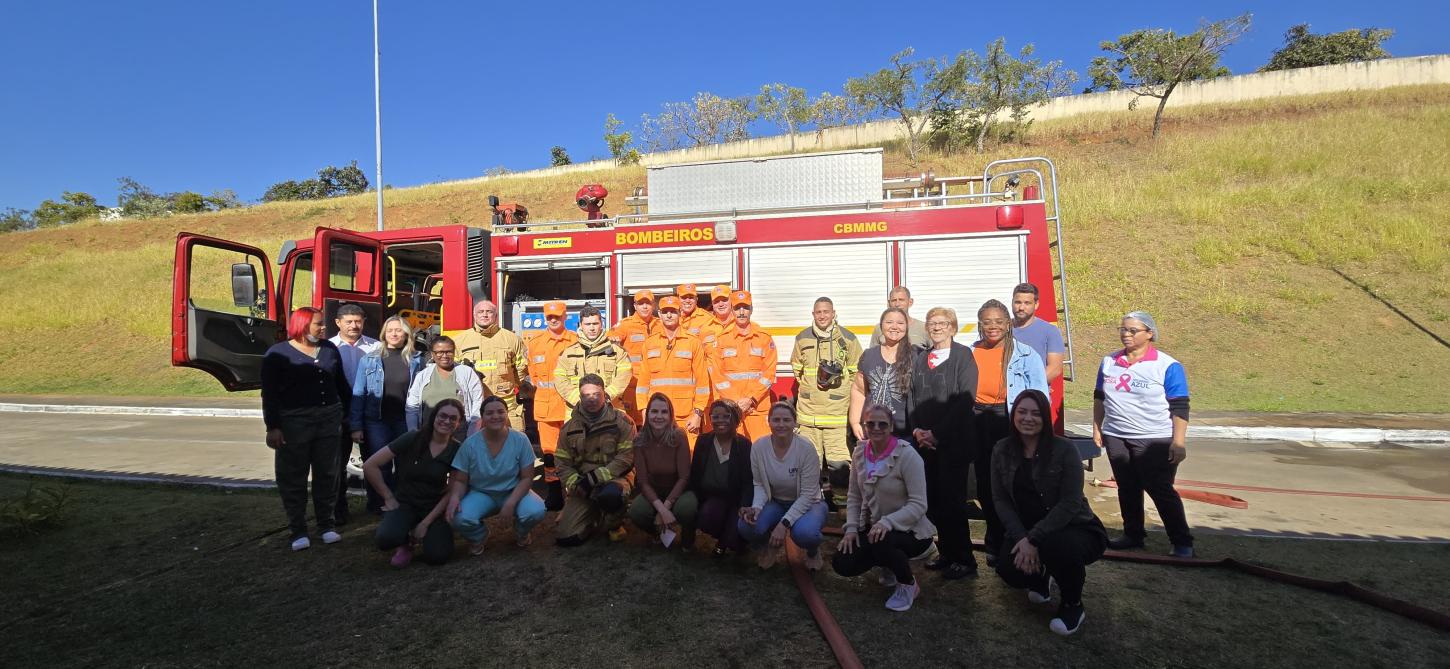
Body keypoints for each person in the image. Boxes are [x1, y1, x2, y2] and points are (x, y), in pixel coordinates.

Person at [993, 389, 1107, 636]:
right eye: (1022, 412)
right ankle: (1040, 577)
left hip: (1073, 528)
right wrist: (1022, 539)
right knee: (1007, 569)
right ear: (1013, 416)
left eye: (1036, 413)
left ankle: (1072, 604)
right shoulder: (1001, 450)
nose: (1028, 418)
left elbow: (1070, 503)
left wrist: (1034, 539)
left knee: (1057, 547)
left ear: (1045, 417)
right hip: (1027, 531)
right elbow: (1001, 501)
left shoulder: (1065, 449)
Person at [1093, 311, 1194, 558]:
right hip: (1116, 435)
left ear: (1149, 334)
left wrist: (1178, 442)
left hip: (1154, 438)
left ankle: (1182, 541)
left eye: (1132, 330)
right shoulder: (1109, 361)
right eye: (1123, 329)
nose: (1125, 334)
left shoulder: (1167, 366)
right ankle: (1133, 534)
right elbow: (1099, 397)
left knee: (1160, 489)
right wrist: (1097, 426)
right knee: (1126, 487)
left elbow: (1180, 406)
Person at [261, 307, 352, 551]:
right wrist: (273, 427)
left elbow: (340, 383)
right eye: (318, 324)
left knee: (327, 473)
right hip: (294, 421)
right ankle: (298, 529)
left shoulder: (329, 349)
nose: (323, 328)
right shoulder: (277, 354)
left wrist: (347, 414)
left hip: (329, 418)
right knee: (293, 476)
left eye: (323, 324)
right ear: (301, 325)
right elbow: (269, 394)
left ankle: (326, 525)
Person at [832, 404, 936, 612]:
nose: (876, 428)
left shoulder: (908, 456)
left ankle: (908, 584)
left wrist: (887, 522)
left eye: (882, 424)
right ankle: (889, 565)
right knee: (842, 562)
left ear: (891, 427)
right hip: (874, 528)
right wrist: (852, 528)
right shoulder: (860, 451)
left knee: (881, 541)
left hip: (911, 531)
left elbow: (919, 504)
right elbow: (854, 495)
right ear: (864, 425)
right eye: (871, 423)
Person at [969, 299, 1049, 562]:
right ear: (980, 324)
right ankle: (994, 541)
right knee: (986, 483)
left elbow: (1040, 396)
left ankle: (1019, 539)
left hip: (1009, 419)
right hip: (977, 420)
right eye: (987, 321)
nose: (993, 326)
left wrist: (1034, 431)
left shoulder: (1026, 355)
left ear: (1008, 324)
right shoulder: (969, 352)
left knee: (1012, 482)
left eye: (998, 321)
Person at [907, 306, 980, 579]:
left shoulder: (963, 356)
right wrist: (916, 431)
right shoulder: (921, 358)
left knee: (953, 503)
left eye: (942, 323)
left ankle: (965, 558)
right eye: (932, 323)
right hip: (924, 446)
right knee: (934, 503)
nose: (936, 327)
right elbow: (912, 397)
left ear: (953, 327)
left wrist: (936, 434)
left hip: (953, 445)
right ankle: (946, 553)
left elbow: (964, 400)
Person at [365, 399, 465, 567]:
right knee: (386, 538)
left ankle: (425, 534)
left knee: (438, 556)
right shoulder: (413, 438)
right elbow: (370, 465)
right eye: (443, 416)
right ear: (434, 417)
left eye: (453, 418)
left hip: (433, 507)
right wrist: (388, 497)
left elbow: (451, 490)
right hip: (405, 502)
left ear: (459, 423)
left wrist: (426, 523)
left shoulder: (456, 449)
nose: (446, 421)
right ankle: (405, 542)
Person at [446, 396, 547, 555]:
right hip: (481, 493)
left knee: (536, 511)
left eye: (500, 412)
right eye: (489, 413)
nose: (495, 416)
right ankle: (479, 536)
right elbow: (460, 480)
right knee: (459, 518)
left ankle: (521, 531)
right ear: (482, 417)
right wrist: (454, 498)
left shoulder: (520, 440)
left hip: (513, 491)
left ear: (507, 414)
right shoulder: (470, 444)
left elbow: (527, 478)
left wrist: (510, 503)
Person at [553, 305, 632, 508]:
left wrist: (604, 398)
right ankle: (572, 503)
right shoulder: (568, 353)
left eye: (596, 323)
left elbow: (624, 376)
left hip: (610, 413)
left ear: (601, 323)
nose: (592, 328)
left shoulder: (616, 352)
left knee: (615, 456)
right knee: (573, 458)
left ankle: (616, 504)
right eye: (587, 324)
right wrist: (580, 401)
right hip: (576, 415)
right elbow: (560, 379)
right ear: (580, 325)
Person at [791, 296, 862, 509]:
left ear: (833, 313)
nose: (822, 316)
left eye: (826, 312)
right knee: (808, 464)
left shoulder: (848, 339)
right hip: (808, 416)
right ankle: (810, 504)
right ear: (813, 314)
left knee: (839, 465)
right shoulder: (802, 338)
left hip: (837, 416)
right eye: (818, 312)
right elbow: (797, 369)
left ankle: (842, 509)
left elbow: (856, 374)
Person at [737, 402, 826, 570]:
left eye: (786, 420)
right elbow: (759, 484)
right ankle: (767, 546)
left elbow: (807, 495)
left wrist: (782, 525)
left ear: (795, 422)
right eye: (776, 420)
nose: (781, 424)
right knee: (746, 526)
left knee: (806, 534)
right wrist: (756, 507)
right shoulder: (758, 447)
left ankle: (813, 551)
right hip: (777, 501)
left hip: (809, 503)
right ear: (768, 421)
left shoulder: (806, 449)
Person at [350, 315, 423, 515]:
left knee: (404, 465)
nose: (394, 334)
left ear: (406, 334)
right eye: (390, 330)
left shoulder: (417, 360)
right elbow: (359, 393)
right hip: (376, 421)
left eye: (398, 330)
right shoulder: (370, 359)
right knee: (379, 464)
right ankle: (379, 504)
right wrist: (355, 425)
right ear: (384, 333)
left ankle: (401, 503)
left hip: (405, 420)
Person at [555, 374, 637, 546]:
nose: (591, 399)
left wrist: (593, 480)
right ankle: (591, 516)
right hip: (582, 484)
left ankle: (613, 525)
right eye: (586, 395)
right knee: (566, 538)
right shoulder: (569, 428)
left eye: (596, 394)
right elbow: (562, 463)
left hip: (616, 479)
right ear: (579, 397)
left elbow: (626, 459)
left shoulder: (622, 422)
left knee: (610, 496)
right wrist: (576, 484)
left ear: (605, 394)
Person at [329, 303, 380, 524]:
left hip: (369, 413)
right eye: (348, 321)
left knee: (374, 460)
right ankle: (338, 510)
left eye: (358, 321)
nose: (354, 326)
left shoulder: (376, 347)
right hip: (339, 413)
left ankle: (376, 504)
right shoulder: (328, 348)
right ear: (338, 323)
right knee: (337, 464)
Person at [628, 392, 699, 548]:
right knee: (637, 511)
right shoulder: (639, 440)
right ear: (648, 414)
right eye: (654, 411)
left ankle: (688, 536)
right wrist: (660, 509)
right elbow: (643, 481)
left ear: (670, 415)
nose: (658, 416)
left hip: (680, 490)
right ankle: (657, 532)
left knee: (687, 508)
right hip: (654, 491)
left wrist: (665, 507)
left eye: (664, 411)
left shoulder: (679, 436)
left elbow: (684, 477)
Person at [525, 300, 578, 507]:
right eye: (550, 317)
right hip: (545, 409)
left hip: (570, 407)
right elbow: (533, 376)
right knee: (549, 454)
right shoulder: (536, 343)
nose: (554, 320)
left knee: (575, 452)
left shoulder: (575, 341)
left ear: (565, 317)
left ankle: (574, 494)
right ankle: (555, 494)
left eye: (557, 317)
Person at [635, 296, 709, 436]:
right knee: (658, 457)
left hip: (685, 417)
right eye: (665, 311)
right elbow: (643, 383)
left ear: (680, 312)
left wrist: (698, 414)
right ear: (659, 314)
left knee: (687, 456)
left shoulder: (693, 342)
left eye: (673, 311)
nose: (669, 315)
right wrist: (645, 413)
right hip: (656, 416)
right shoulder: (649, 344)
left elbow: (703, 383)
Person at [711, 290, 777, 442]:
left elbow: (769, 374)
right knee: (734, 455)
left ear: (751, 310)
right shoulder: (721, 340)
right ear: (732, 310)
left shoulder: (764, 338)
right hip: (732, 410)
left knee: (760, 455)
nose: (741, 312)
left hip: (757, 408)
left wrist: (751, 400)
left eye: (745, 308)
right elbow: (717, 375)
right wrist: (736, 402)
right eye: (737, 308)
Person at [689, 400, 754, 556]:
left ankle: (726, 542)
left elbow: (748, 482)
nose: (720, 421)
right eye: (715, 416)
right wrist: (693, 501)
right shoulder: (703, 441)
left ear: (736, 419)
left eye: (726, 416)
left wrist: (745, 506)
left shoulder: (745, 445)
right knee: (706, 517)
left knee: (737, 539)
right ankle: (722, 537)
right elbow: (695, 474)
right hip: (712, 498)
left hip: (735, 500)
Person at [454, 299, 530, 431]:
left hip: (507, 405)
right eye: (480, 312)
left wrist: (514, 386)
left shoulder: (512, 339)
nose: (485, 315)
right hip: (475, 406)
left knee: (514, 445)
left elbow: (521, 369)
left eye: (489, 312)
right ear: (474, 315)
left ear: (495, 315)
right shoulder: (460, 341)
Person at [850, 308, 913, 442]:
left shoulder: (917, 355)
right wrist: (855, 422)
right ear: (881, 326)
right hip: (873, 432)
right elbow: (858, 390)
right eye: (889, 322)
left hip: (906, 436)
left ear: (907, 327)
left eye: (900, 323)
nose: (894, 326)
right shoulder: (869, 355)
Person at [405, 336, 484, 436]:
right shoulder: (423, 375)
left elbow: (478, 405)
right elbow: (412, 407)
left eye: (449, 352)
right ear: (432, 354)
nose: (444, 355)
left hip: (459, 437)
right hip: (428, 436)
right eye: (439, 352)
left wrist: (472, 435)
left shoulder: (466, 373)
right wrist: (413, 433)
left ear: (454, 352)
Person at [609, 289, 662, 421]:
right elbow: (610, 339)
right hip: (633, 385)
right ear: (635, 306)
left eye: (648, 303)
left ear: (653, 305)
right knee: (632, 425)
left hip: (656, 384)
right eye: (641, 303)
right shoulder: (626, 325)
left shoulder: (660, 325)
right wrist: (613, 341)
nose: (644, 307)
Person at [1011, 283, 1066, 385]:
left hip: (1034, 396)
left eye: (1027, 303)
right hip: (1004, 395)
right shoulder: (1003, 330)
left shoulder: (1050, 331)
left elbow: (1055, 368)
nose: (1021, 307)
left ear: (1036, 305)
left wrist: (1028, 387)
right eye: (1017, 302)